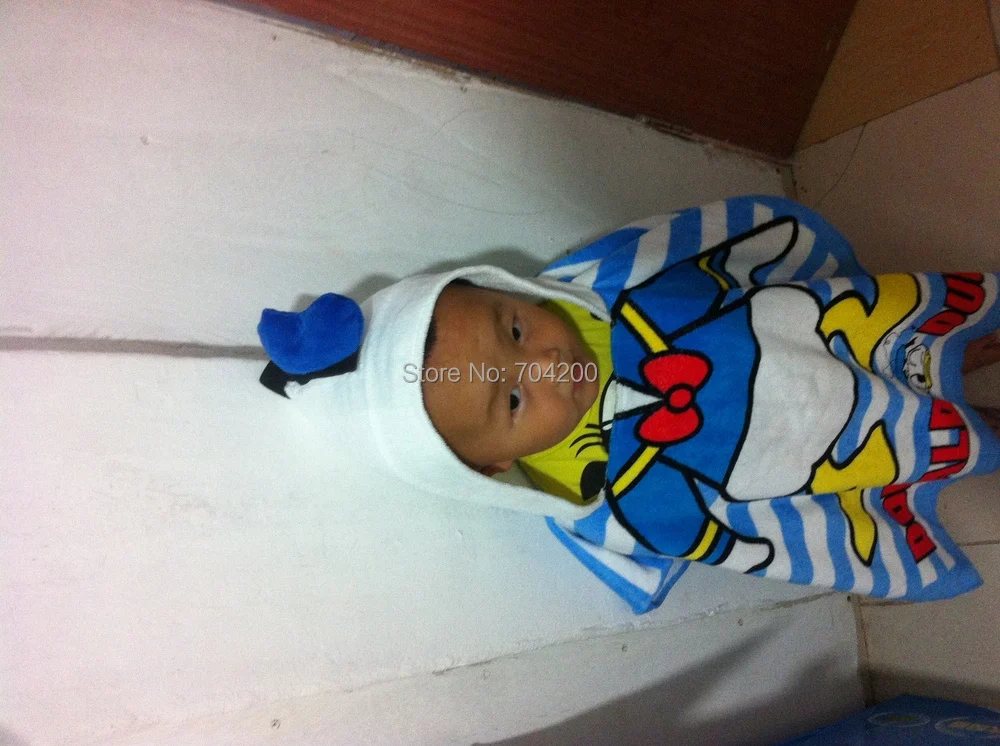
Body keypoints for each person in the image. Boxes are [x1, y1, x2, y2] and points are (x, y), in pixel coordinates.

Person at [258, 195, 1000, 613]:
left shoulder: (597, 288)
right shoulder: (589, 502)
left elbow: (691, 264)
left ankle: (959, 341)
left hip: (813, 338)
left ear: (504, 289)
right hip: (809, 449)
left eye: (514, 329)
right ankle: (967, 434)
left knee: (890, 334)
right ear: (495, 467)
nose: (546, 364)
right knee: (901, 437)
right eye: (512, 399)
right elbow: (675, 535)